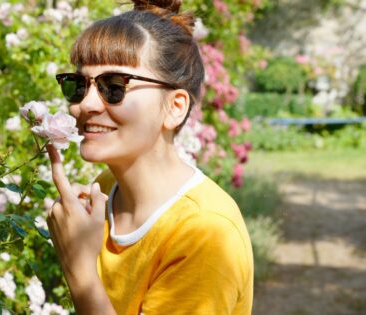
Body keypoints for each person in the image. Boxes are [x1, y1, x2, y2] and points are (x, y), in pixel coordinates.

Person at [45, 0, 254, 314]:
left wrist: (80, 271)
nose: (85, 105)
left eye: (113, 86)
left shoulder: (205, 232)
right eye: (78, 85)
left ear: (175, 107)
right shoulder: (107, 190)